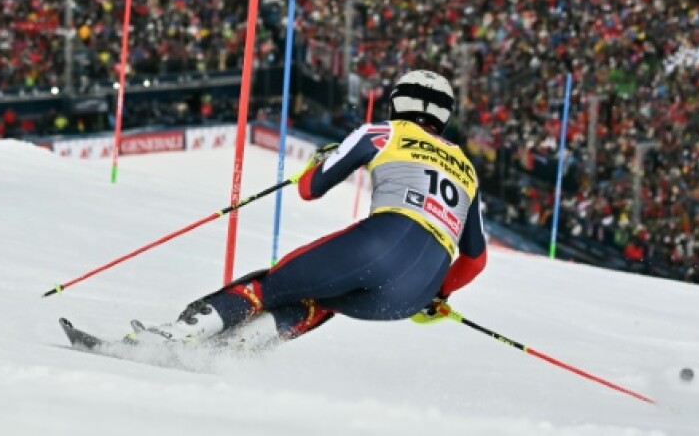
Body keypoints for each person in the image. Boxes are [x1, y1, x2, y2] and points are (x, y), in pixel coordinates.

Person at [129, 69, 488, 349]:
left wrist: (317, 165)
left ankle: (175, 336)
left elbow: (310, 188)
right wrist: (436, 294)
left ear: (398, 102)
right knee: (322, 299)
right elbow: (474, 260)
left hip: (381, 243)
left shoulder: (382, 132)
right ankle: (240, 345)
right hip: (414, 292)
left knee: (271, 285)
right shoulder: (466, 167)